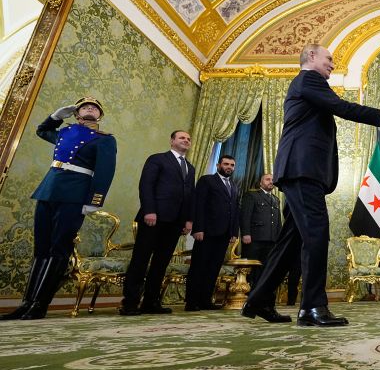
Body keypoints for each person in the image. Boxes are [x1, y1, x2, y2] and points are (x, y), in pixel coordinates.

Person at [241, 44, 380, 326]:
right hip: (302, 171)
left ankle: (259, 299)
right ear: (311, 58)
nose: (332, 63)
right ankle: (312, 308)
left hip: (301, 171)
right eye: (329, 59)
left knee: (290, 241)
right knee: (316, 235)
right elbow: (341, 107)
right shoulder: (309, 79)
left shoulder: (308, 85)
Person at [1, 97, 116, 321]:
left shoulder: (105, 140)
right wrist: (55, 116)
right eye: (85, 107)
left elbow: (105, 171)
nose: (90, 108)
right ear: (76, 113)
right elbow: (42, 131)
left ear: (99, 116)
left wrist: (94, 201)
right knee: (41, 248)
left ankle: (40, 305)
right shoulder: (65, 132)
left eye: (95, 108)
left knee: (59, 248)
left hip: (74, 196)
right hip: (48, 191)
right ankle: (26, 304)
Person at [119, 130, 196, 316]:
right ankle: (130, 303)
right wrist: (149, 210)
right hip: (154, 218)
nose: (186, 140)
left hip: (175, 223)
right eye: (181, 138)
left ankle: (151, 302)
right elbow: (146, 185)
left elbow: (189, 195)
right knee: (141, 259)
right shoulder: (157, 159)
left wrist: (188, 220)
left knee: (161, 263)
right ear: (172, 141)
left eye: (188, 139)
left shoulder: (190, 168)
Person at [184, 155, 240, 311]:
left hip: (224, 234)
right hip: (206, 232)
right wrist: (198, 228)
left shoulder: (234, 186)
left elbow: (235, 211)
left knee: (213, 268)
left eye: (232, 165)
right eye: (226, 164)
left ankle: (205, 300)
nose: (229, 167)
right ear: (218, 165)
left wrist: (233, 232)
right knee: (199, 266)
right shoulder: (207, 180)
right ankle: (192, 301)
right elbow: (199, 204)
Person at [241, 174, 297, 302]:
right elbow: (245, 216)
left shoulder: (276, 199)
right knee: (252, 269)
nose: (271, 182)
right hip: (254, 239)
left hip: (271, 240)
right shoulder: (252, 195)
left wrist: (280, 239)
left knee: (266, 269)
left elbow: (278, 222)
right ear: (260, 182)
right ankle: (248, 296)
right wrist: (246, 233)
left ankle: (259, 297)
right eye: (267, 179)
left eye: (272, 180)